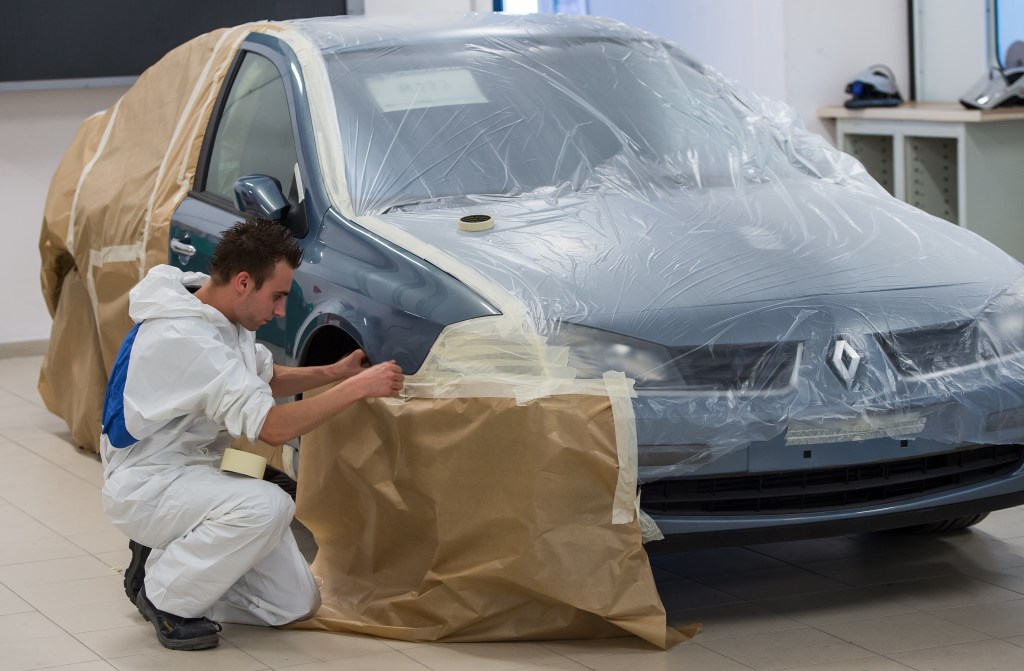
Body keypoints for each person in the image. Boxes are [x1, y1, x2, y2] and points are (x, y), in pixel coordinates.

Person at [99, 218, 404, 651]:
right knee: (268, 505)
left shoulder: (217, 313)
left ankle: (177, 568)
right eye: (277, 296)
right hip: (147, 482)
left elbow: (264, 375)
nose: (281, 310)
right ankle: (164, 594)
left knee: (295, 604)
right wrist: (357, 389)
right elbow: (274, 429)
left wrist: (334, 373)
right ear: (243, 282)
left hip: (194, 472)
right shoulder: (185, 337)